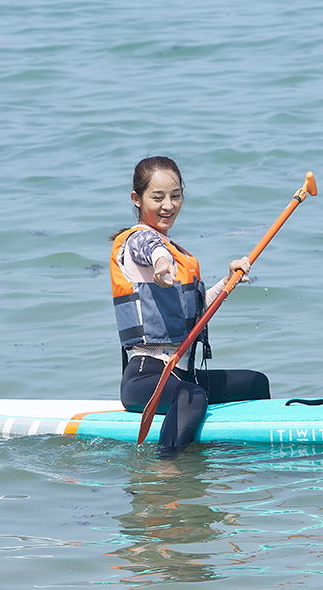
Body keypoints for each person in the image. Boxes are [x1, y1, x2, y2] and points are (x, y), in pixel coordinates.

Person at [110, 156, 270, 449]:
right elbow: (153, 250)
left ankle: (243, 454)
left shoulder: (175, 251)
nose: (168, 205)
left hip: (184, 374)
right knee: (192, 396)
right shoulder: (138, 242)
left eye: (176, 195)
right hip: (147, 377)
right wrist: (160, 265)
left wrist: (227, 281)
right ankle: (169, 471)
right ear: (136, 199)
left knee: (256, 383)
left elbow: (194, 313)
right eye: (157, 197)